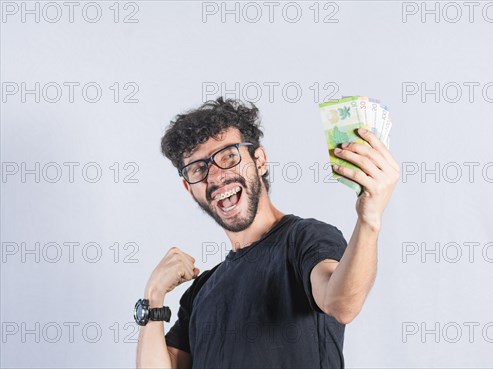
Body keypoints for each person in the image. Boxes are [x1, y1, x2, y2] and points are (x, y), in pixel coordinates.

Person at [135, 97, 399, 368]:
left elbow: (341, 304)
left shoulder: (304, 238)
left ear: (259, 161)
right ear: (189, 188)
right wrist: (153, 296)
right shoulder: (201, 291)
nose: (214, 176)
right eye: (198, 169)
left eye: (228, 156)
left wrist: (369, 221)